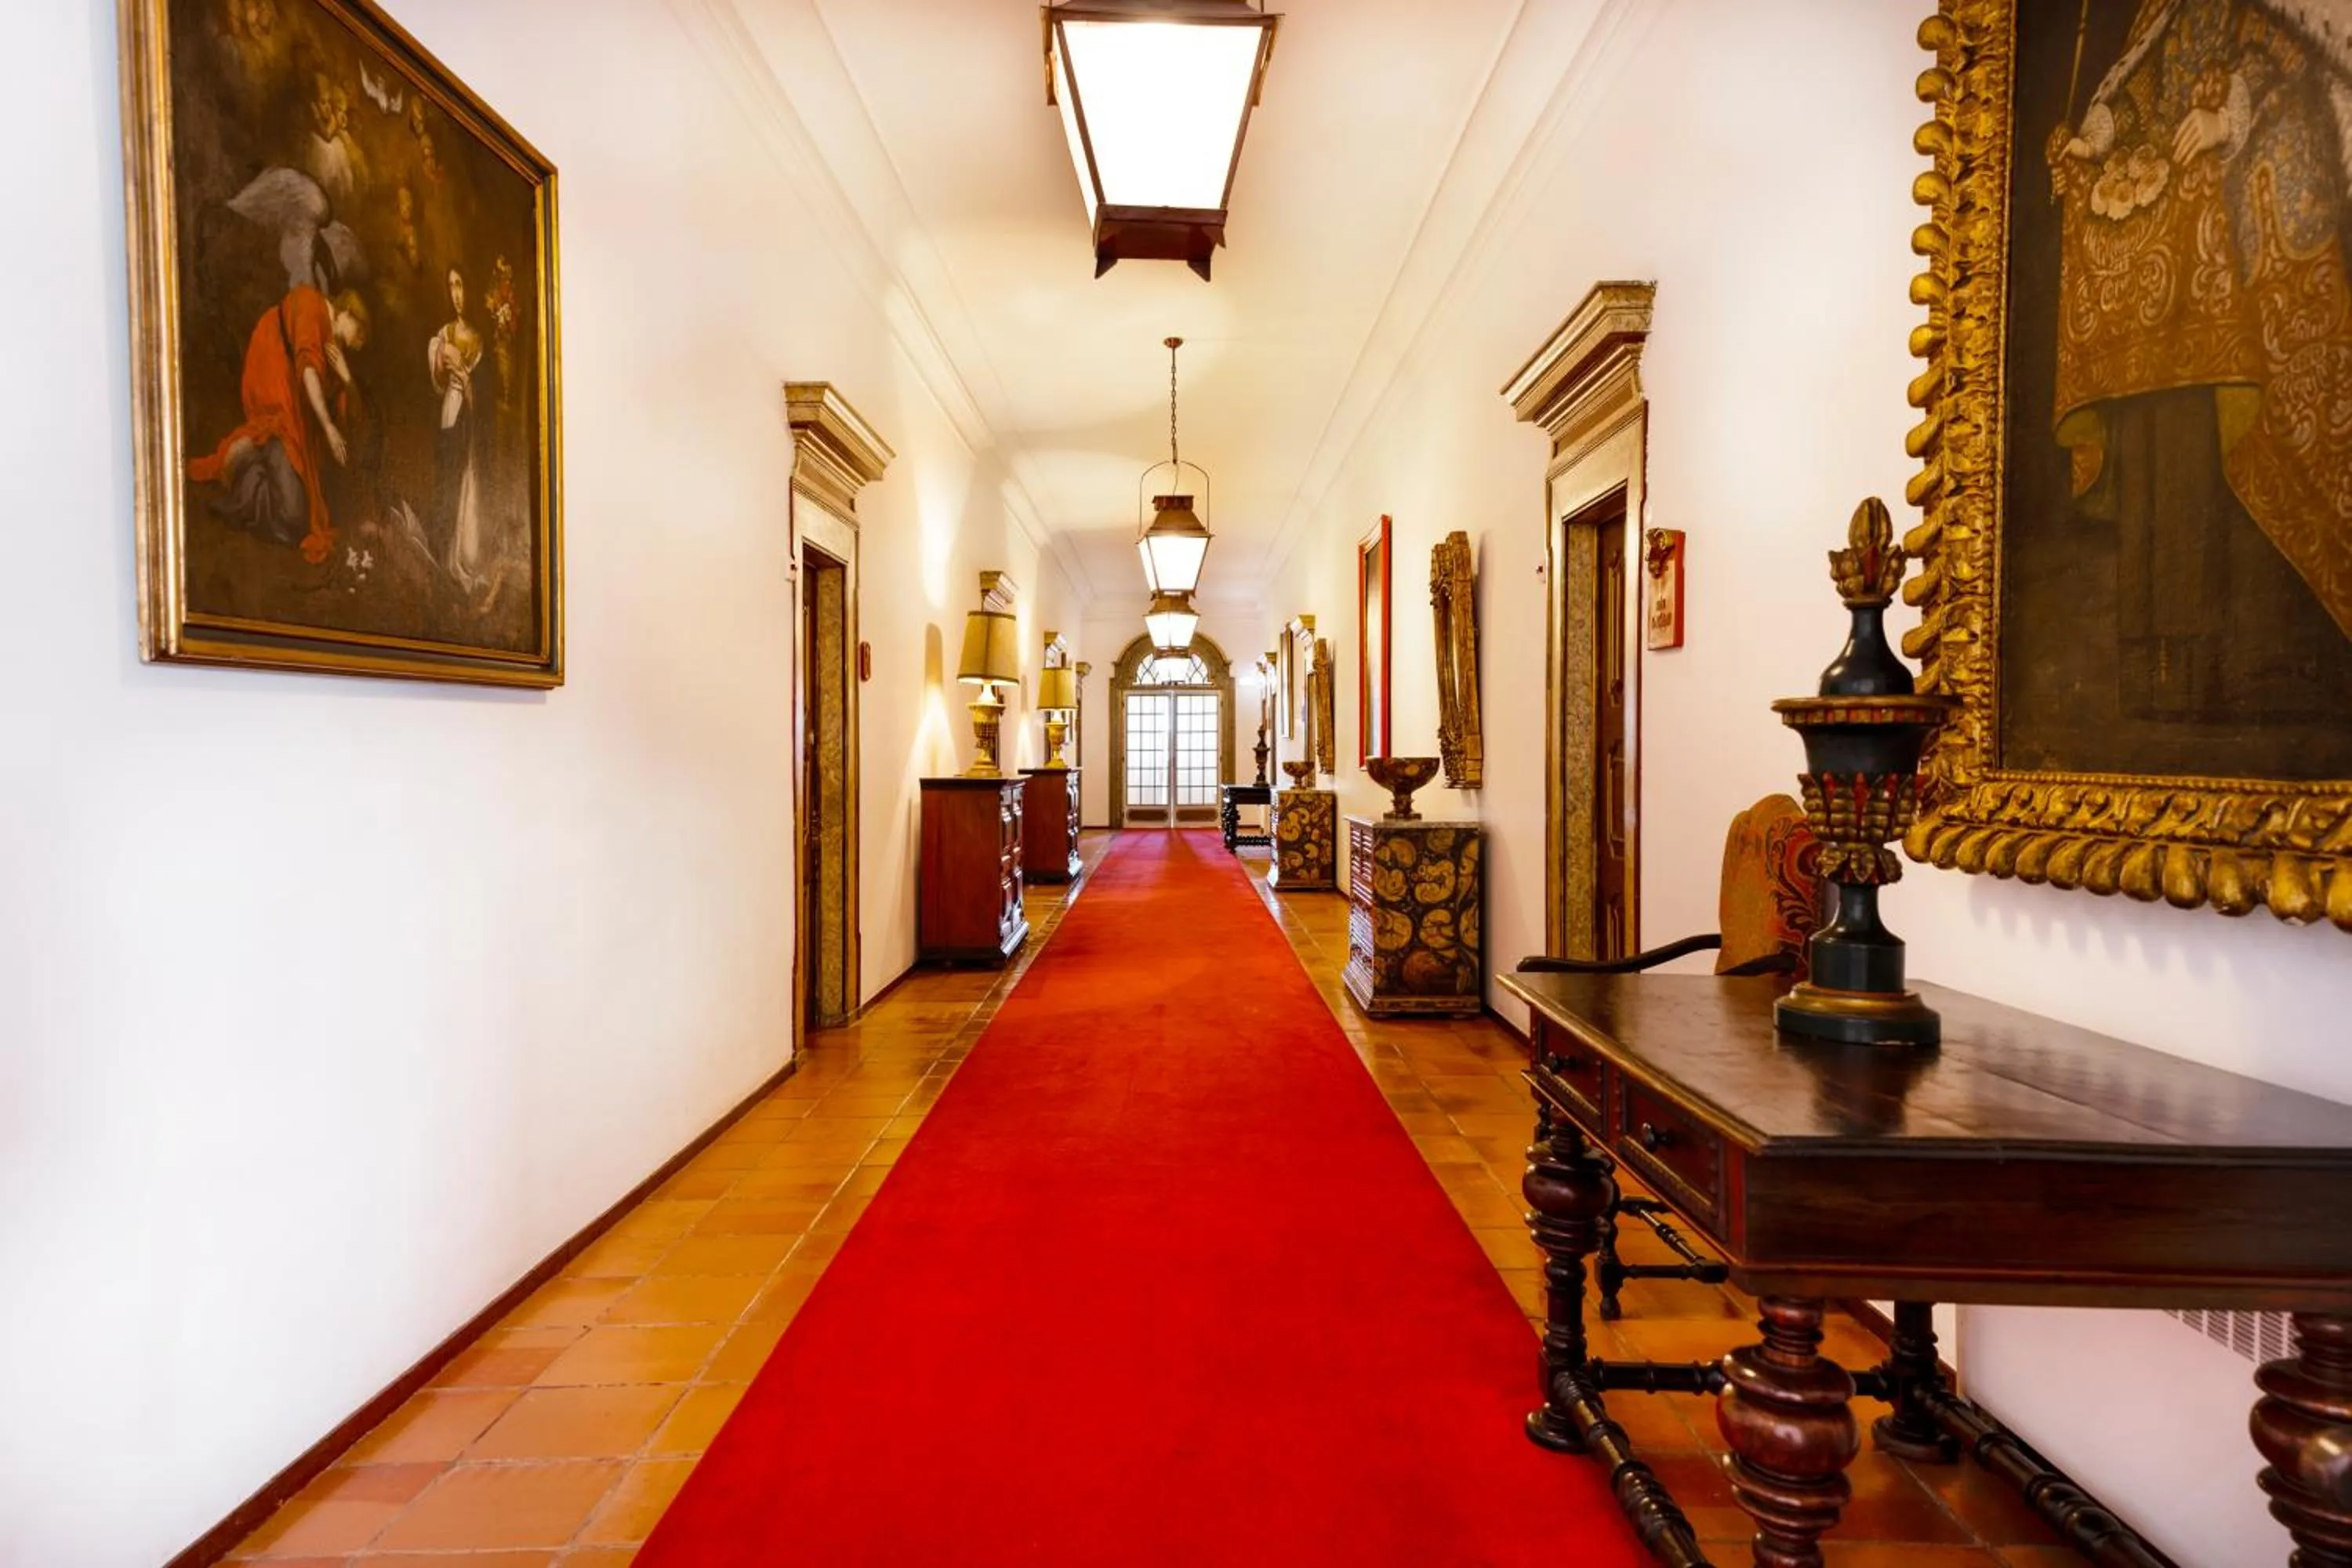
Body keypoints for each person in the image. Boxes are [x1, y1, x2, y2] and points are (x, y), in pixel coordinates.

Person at [2045, 0, 2352, 721]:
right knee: (2151, 467)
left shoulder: (2251, 11)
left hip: (2215, 291)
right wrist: (2095, 141)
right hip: (2153, 303)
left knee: (2191, 469)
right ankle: (2141, 671)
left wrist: (2226, 119)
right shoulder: (2160, 13)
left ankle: (2201, 675)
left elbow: (2291, 72)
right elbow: (2137, 97)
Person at [187, 287, 370, 566]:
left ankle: (255, 465)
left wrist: (347, 379)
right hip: (273, 391)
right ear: (347, 312)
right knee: (293, 518)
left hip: (295, 417)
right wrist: (328, 427)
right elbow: (307, 368)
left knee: (301, 519)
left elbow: (350, 416)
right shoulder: (311, 303)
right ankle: (243, 461)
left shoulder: (335, 351)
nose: (358, 342)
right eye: (359, 332)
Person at [429, 267, 491, 588]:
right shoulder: (444, 334)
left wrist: (467, 380)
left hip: (471, 420)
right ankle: (447, 556)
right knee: (449, 478)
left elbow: (485, 398)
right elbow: (438, 382)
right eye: (451, 285)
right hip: (450, 416)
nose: (456, 294)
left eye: (461, 285)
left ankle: (464, 557)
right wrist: (442, 358)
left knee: (470, 479)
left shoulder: (482, 342)